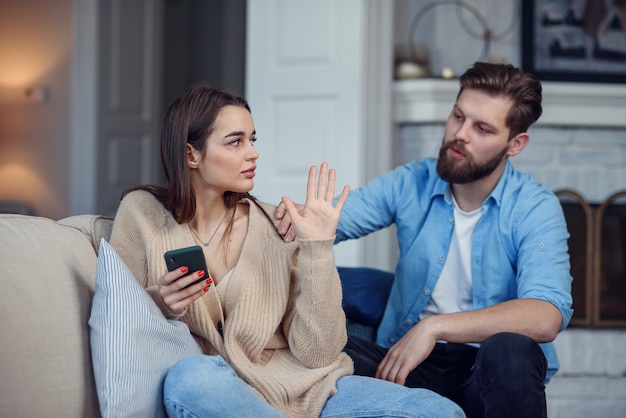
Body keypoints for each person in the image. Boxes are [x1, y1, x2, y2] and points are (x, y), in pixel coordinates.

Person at [109, 82, 465, 418]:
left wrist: (317, 247)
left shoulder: (277, 225)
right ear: (191, 155)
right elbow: (119, 315)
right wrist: (161, 302)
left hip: (309, 390)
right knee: (190, 378)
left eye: (252, 139)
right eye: (235, 142)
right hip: (224, 392)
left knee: (442, 411)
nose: (253, 153)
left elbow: (318, 353)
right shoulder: (142, 214)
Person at [276, 62, 574, 418]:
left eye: (482, 129)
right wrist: (275, 219)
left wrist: (434, 327)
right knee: (308, 347)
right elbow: (324, 224)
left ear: (515, 144)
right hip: (404, 362)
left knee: (510, 349)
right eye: (457, 116)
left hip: (484, 372)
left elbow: (546, 316)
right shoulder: (411, 182)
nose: (459, 134)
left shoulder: (534, 207)